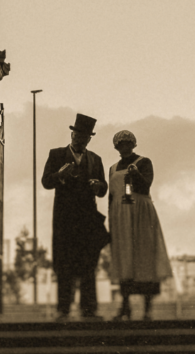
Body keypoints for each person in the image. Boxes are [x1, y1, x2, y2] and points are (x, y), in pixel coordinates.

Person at [41, 113, 109, 322]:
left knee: (88, 265)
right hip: (65, 221)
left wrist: (99, 187)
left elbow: (103, 188)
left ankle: (89, 309)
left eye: (85, 137)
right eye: (78, 135)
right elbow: (45, 182)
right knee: (65, 265)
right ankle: (64, 309)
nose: (80, 139)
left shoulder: (95, 159)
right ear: (72, 134)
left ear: (89, 139)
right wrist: (60, 175)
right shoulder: (56, 154)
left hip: (88, 221)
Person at [107, 129, 172, 321]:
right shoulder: (112, 168)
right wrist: (111, 218)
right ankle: (125, 306)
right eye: (120, 144)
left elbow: (145, 186)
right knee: (125, 258)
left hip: (140, 213)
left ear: (133, 145)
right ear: (116, 147)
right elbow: (112, 195)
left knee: (144, 256)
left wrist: (136, 175)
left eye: (127, 143)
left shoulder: (144, 162)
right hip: (121, 215)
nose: (124, 147)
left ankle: (147, 307)